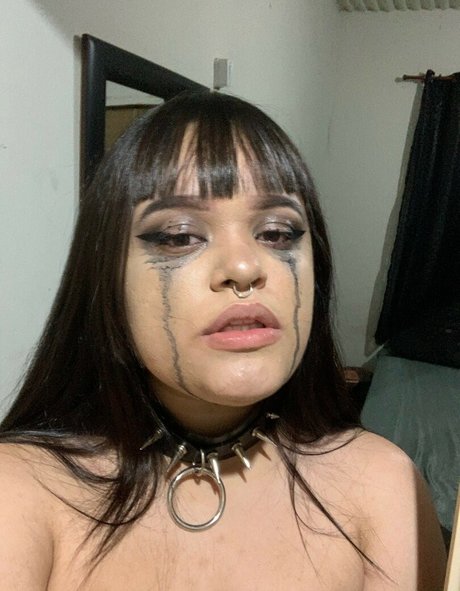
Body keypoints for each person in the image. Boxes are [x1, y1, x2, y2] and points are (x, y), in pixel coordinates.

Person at [0, 91, 446, 590]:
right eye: (178, 236)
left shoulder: (384, 485)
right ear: (105, 280)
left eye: (277, 232)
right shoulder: (20, 491)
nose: (245, 266)